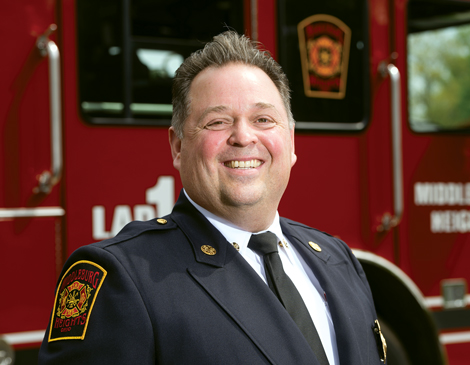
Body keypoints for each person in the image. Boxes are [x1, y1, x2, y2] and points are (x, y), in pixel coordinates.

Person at [39, 31, 386, 364]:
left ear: (292, 141)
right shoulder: (122, 278)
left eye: (263, 119)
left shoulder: (338, 261)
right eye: (217, 122)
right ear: (178, 146)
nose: (243, 136)